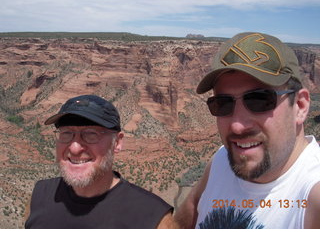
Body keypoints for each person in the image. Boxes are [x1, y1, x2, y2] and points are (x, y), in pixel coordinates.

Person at [174, 32, 320, 229]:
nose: (237, 125)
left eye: (259, 100)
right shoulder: (220, 161)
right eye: (223, 104)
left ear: (300, 107)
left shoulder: (313, 196)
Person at [25, 94, 176, 229]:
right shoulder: (39, 196)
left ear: (117, 142)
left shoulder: (153, 217)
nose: (75, 148)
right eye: (66, 133)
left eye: (91, 134)